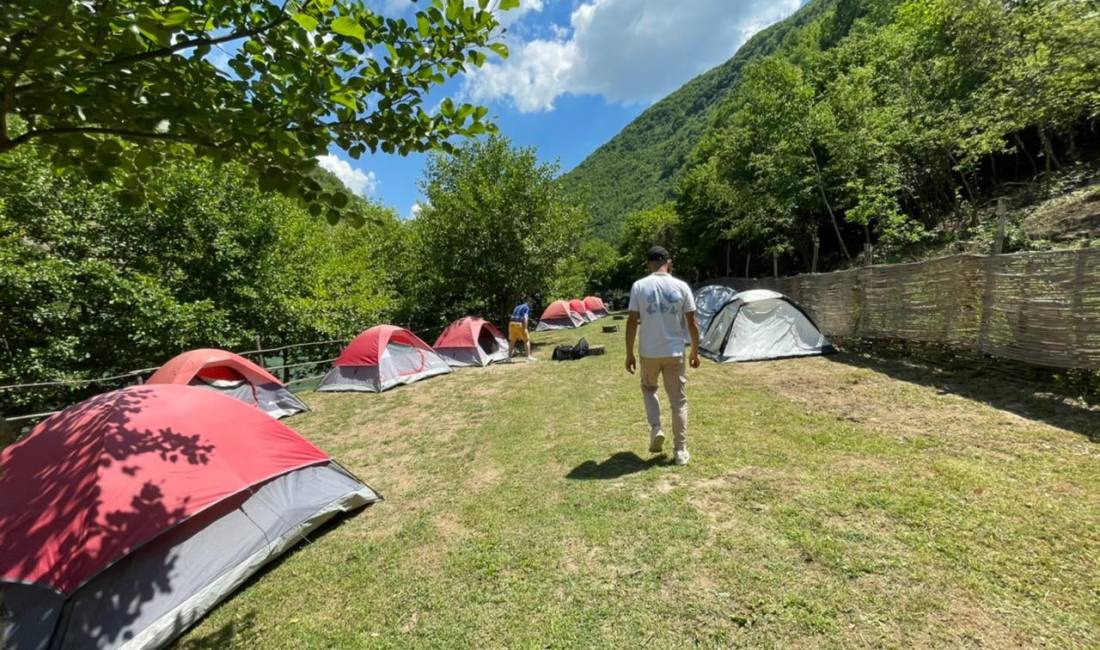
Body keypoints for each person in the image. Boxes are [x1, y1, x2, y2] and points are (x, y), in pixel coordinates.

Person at [625, 246, 700, 465]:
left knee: (649, 389)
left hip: (649, 352)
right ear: (668, 261)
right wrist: (695, 350)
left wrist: (629, 353)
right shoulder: (681, 286)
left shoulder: (639, 286)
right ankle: (680, 451)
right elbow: (691, 323)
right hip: (674, 352)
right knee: (678, 402)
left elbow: (631, 322)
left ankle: (656, 428)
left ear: (649, 263)